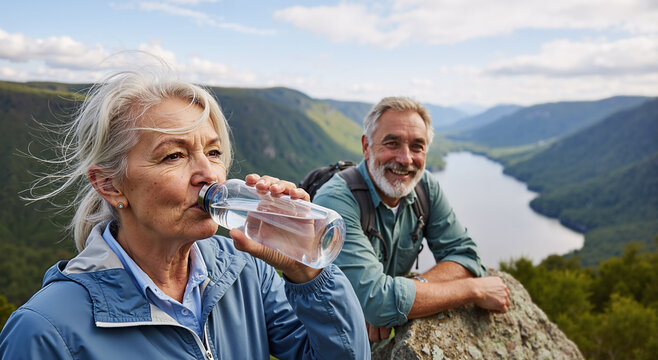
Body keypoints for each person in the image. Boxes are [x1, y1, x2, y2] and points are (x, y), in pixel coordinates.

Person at [0, 65, 370, 359]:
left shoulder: (245, 272)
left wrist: (306, 274)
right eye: (174, 155)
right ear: (110, 185)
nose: (209, 173)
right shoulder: (46, 330)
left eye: (212, 152)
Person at [313, 96, 511, 343]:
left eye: (417, 146)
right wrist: (473, 290)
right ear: (367, 146)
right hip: (322, 342)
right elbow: (378, 302)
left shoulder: (424, 188)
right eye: (392, 143)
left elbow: (467, 257)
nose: (405, 159)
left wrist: (411, 290)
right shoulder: (335, 202)